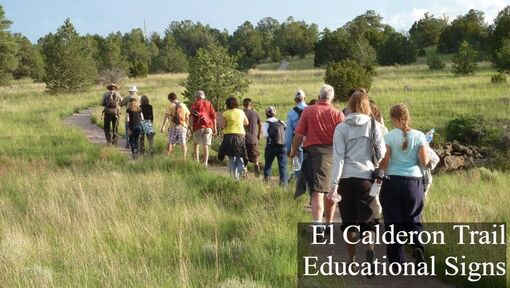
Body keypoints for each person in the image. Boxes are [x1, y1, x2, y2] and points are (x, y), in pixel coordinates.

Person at [328, 90, 386, 265]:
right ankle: (369, 250)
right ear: (366, 106)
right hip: (366, 178)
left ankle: (351, 259)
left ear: (350, 106)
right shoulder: (373, 125)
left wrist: (334, 184)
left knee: (349, 222)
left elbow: (338, 157)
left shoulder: (341, 127)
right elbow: (382, 152)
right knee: (367, 220)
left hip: (346, 178)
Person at [379, 103, 430, 264]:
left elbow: (385, 162)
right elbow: (424, 161)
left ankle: (396, 262)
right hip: (414, 183)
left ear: (393, 118)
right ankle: (417, 245)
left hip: (392, 182)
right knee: (414, 217)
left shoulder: (388, 137)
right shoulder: (419, 136)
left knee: (393, 221)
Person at [290, 84, 345, 225]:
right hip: (333, 155)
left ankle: (318, 223)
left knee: (317, 191)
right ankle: (329, 222)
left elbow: (298, 135)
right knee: (331, 190)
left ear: (319, 96)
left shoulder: (308, 111)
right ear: (332, 98)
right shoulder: (338, 114)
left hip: (313, 155)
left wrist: (293, 150)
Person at [218, 97, 249, 180]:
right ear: (236, 103)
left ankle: (234, 177)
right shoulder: (241, 112)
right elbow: (246, 122)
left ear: (227, 104)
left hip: (229, 136)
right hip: (240, 135)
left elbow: (222, 125)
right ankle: (242, 169)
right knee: (240, 154)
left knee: (231, 157)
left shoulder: (225, 113)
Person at [189, 90, 217, 166]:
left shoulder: (195, 104)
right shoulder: (209, 104)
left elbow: (191, 117)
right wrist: (215, 128)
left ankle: (197, 162)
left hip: (198, 127)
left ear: (196, 97)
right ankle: (205, 162)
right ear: (203, 96)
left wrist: (190, 127)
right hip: (209, 127)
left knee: (196, 144)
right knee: (205, 145)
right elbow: (213, 117)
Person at [262, 106, 288, 186]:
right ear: (275, 113)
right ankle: (283, 186)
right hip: (283, 147)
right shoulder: (282, 122)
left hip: (271, 146)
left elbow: (265, 135)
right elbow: (286, 132)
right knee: (283, 167)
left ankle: (266, 185)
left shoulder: (266, 123)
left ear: (266, 114)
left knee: (268, 165)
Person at [285, 89, 307, 180]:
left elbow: (288, 133)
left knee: (297, 163)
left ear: (295, 100)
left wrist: (289, 148)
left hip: (296, 140)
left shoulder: (291, 113)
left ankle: (299, 184)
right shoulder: (310, 110)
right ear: (305, 98)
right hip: (309, 139)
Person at [160, 92, 190, 158]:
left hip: (173, 126)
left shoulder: (171, 105)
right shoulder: (183, 105)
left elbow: (167, 117)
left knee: (170, 142)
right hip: (183, 126)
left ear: (170, 99)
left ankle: (167, 156)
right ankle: (184, 158)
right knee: (183, 142)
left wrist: (163, 126)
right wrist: (187, 127)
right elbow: (187, 117)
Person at [243, 98, 262, 177]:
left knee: (244, 156)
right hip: (253, 138)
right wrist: (259, 134)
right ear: (251, 105)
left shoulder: (241, 113)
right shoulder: (255, 113)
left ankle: (245, 171)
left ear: (243, 105)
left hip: (243, 138)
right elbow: (260, 124)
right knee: (255, 154)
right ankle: (256, 164)